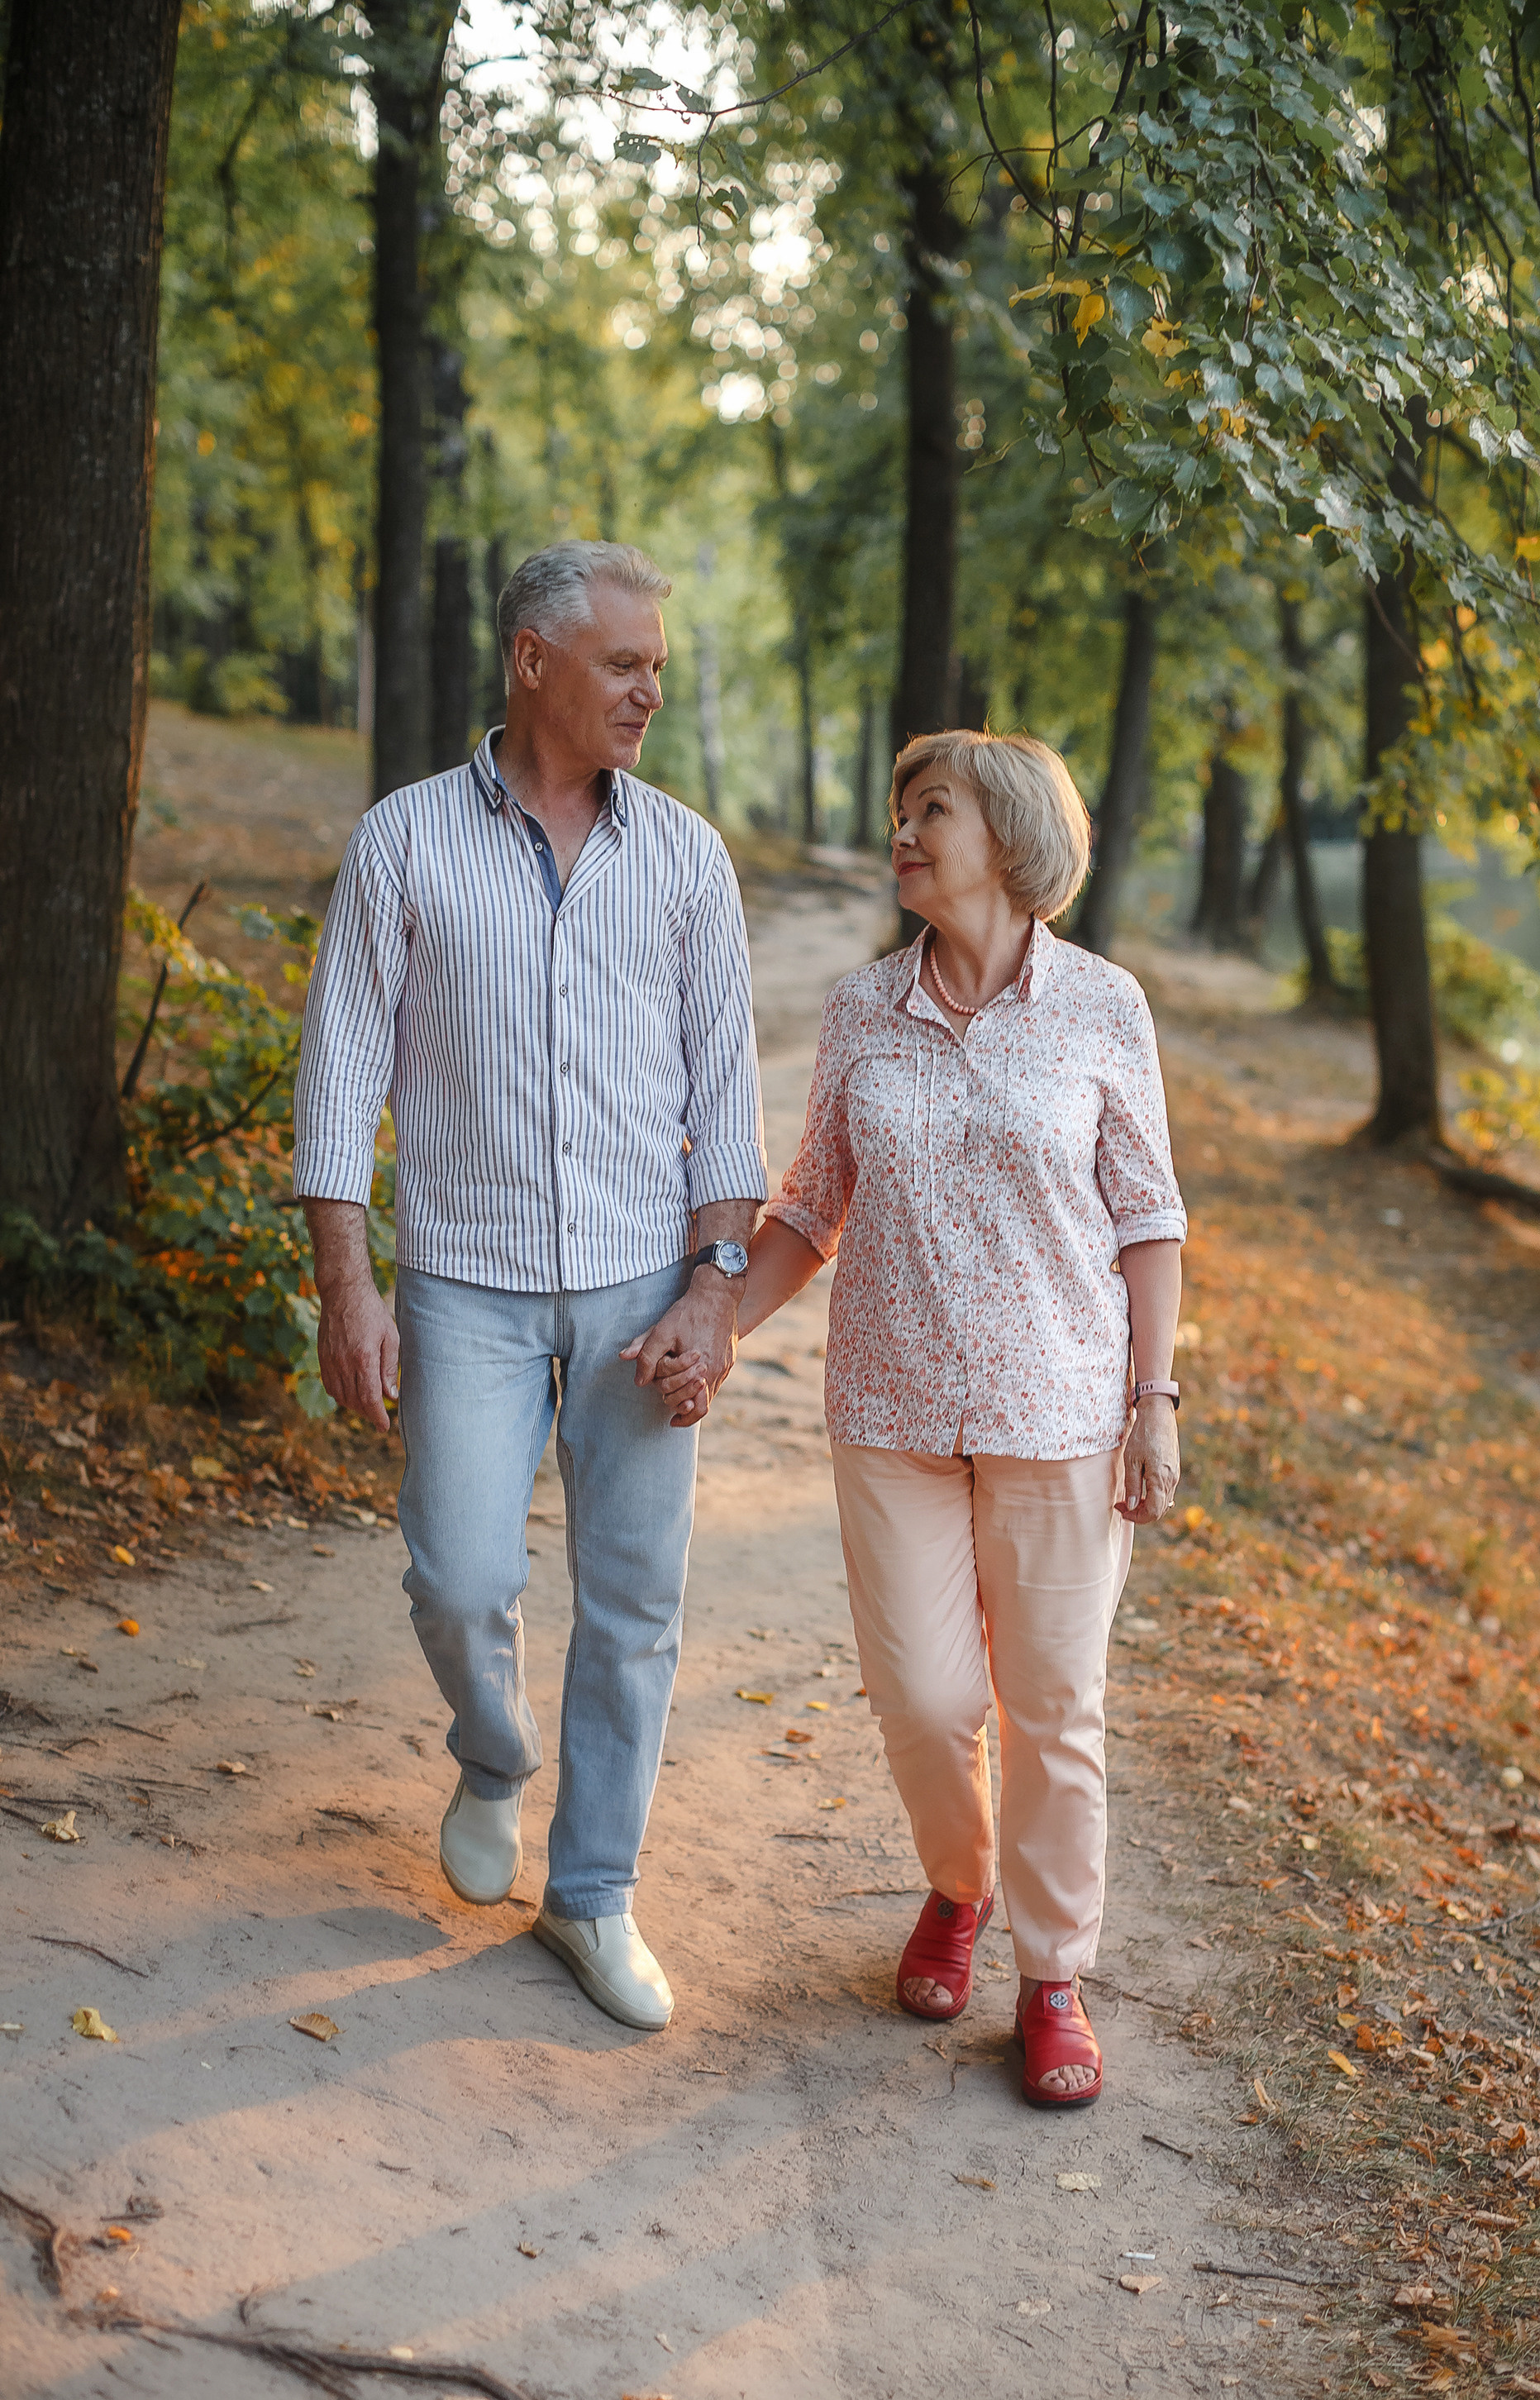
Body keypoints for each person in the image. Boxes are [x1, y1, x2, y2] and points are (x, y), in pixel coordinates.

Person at [659, 729, 1185, 2107]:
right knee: (928, 1697)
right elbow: (809, 1207)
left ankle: (1053, 1975)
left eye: (928, 809)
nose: (902, 831)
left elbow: (1149, 1220)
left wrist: (1155, 1400)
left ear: (1009, 837)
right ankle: (959, 1887)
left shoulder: (1104, 1009)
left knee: (1054, 1706)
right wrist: (718, 1318)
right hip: (889, 1411)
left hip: (1063, 1415)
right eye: (900, 809)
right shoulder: (860, 1011)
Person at [291, 540, 766, 2033]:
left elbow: (731, 1107)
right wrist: (346, 1285)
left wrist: (714, 1287)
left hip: (640, 1287)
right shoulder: (406, 842)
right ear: (533, 662)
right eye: (623, 664)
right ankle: (491, 1755)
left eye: (659, 670)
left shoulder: (687, 857)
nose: (648, 692)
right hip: (464, 1283)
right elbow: (338, 1077)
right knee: (460, 1574)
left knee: (634, 1604)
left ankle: (594, 1895)